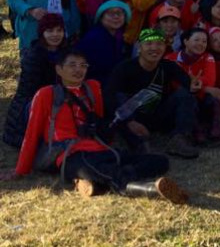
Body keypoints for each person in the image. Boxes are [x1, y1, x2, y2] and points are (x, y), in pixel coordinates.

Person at [5, 49, 188, 204]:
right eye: (72, 65)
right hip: (70, 154)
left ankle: (95, 182)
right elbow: (32, 133)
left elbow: (99, 123)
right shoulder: (46, 94)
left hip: (99, 149)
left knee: (159, 161)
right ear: (59, 69)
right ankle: (151, 190)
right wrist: (20, 170)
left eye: (83, 65)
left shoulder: (92, 88)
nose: (78, 70)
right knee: (101, 170)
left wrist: (107, 137)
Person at [107, 29, 200, 158]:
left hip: (158, 114)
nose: (154, 48)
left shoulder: (168, 66)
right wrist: (130, 121)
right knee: (120, 106)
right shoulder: (124, 68)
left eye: (159, 44)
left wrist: (194, 85)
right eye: (149, 44)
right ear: (139, 47)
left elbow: (188, 83)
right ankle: (140, 145)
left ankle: (179, 139)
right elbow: (111, 96)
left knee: (185, 95)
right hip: (132, 116)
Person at [2, 14, 69, 148]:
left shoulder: (66, 53)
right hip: (34, 102)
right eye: (50, 31)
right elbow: (30, 91)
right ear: (42, 33)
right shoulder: (35, 55)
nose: (55, 35)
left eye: (59, 30)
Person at [167, 28, 220, 142]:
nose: (201, 44)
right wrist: (199, 87)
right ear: (186, 41)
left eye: (204, 41)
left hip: (200, 98)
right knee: (187, 95)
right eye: (196, 40)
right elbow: (173, 84)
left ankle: (215, 128)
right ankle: (195, 130)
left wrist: (197, 86)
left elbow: (210, 80)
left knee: (213, 97)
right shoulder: (170, 58)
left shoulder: (208, 57)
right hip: (179, 101)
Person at [75, 0, 131, 85]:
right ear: (101, 17)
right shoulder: (94, 38)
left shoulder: (118, 35)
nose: (116, 16)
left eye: (119, 13)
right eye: (111, 13)